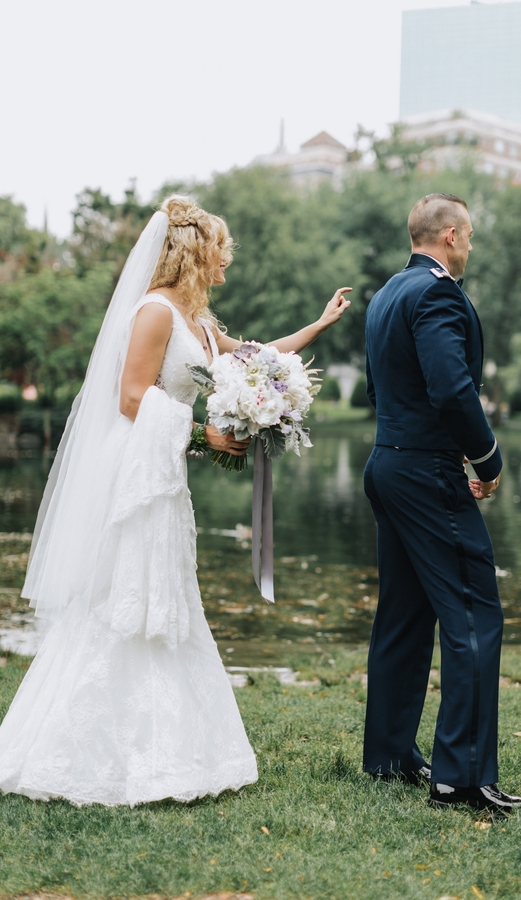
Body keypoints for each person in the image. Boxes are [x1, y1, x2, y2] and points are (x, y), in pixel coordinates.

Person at [0, 195, 351, 807]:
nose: (226, 263)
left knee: (168, 596)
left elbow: (256, 359)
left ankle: (174, 750)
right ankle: (75, 749)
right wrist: (199, 434)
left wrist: (318, 327)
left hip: (165, 477)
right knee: (123, 600)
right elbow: (130, 397)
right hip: (136, 478)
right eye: (221, 252)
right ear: (195, 253)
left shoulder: (198, 322)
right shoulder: (156, 313)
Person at [362, 193, 521, 813]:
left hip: (388, 463)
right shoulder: (435, 293)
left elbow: (382, 389)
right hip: (427, 474)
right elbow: (452, 386)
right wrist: (484, 459)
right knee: (473, 617)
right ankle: (459, 777)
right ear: (452, 235)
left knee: (404, 616)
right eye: (470, 237)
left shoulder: (386, 295)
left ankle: (389, 757)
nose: (470, 246)